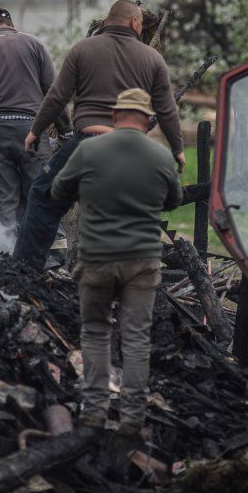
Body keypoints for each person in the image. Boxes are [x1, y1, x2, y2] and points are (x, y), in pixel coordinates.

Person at [14, 0, 185, 269]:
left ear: (107, 22)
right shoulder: (152, 58)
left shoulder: (83, 49)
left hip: (88, 143)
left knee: (43, 196)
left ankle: (24, 270)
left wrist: (35, 131)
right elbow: (167, 109)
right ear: (135, 23)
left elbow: (57, 97)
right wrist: (178, 149)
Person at [50, 88, 182, 436]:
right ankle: (133, 417)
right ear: (147, 121)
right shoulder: (160, 156)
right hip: (141, 261)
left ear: (114, 116)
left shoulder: (89, 150)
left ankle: (93, 411)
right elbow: (174, 200)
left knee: (94, 331)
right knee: (136, 337)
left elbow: (57, 191)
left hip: (97, 259)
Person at [0, 7, 67, 236]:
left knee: (5, 199)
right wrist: (66, 129)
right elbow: (53, 92)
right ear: (11, 25)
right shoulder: (35, 44)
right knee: (41, 191)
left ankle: (6, 255)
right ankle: (53, 256)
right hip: (32, 129)